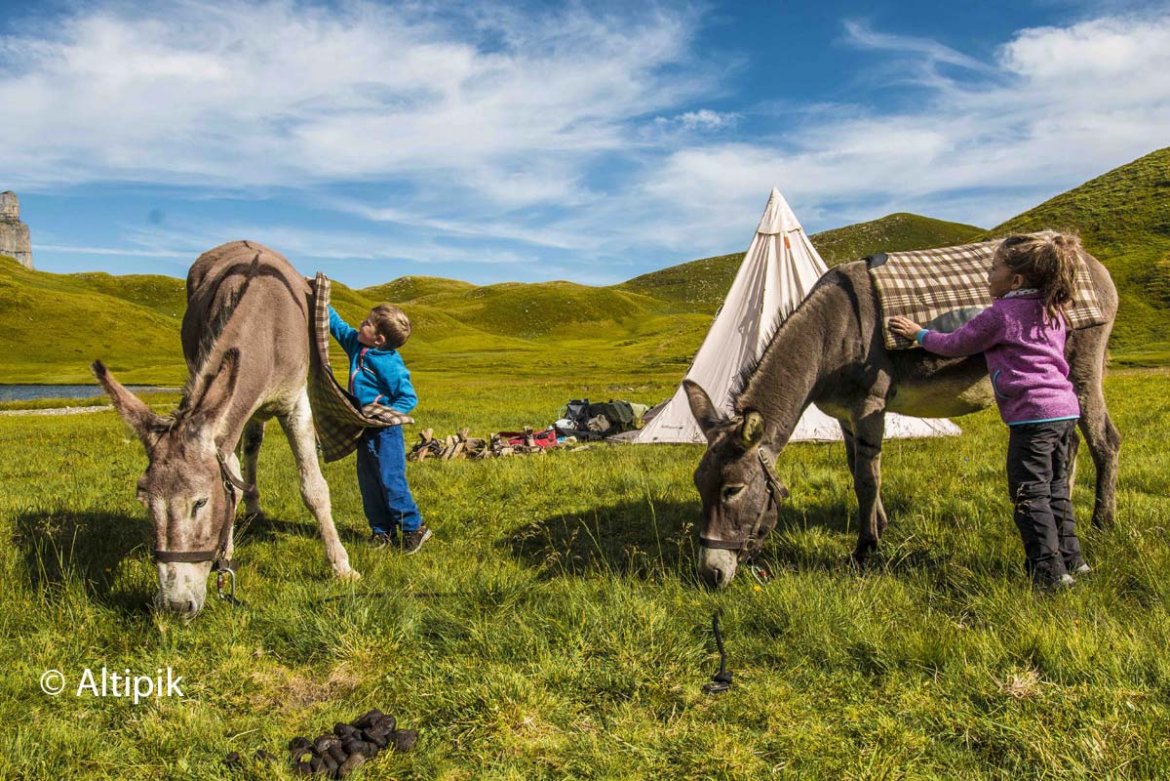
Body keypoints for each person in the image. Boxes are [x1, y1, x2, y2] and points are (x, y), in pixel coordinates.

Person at [889, 233, 1090, 590]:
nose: (988, 275)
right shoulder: (1053, 311)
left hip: (1032, 415)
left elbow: (956, 344)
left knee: (1029, 493)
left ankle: (1048, 573)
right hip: (1064, 410)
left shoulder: (999, 314)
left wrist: (919, 334)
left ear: (1016, 280)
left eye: (994, 269)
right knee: (1057, 488)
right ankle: (1075, 560)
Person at [329, 302, 431, 553]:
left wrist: (385, 413)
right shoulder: (356, 343)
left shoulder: (390, 364)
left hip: (386, 431)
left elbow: (408, 397)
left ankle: (413, 528)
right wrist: (321, 297)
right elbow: (337, 326)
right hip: (364, 427)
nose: (361, 323)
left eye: (368, 323)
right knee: (368, 481)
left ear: (379, 339)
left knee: (390, 479)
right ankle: (381, 530)